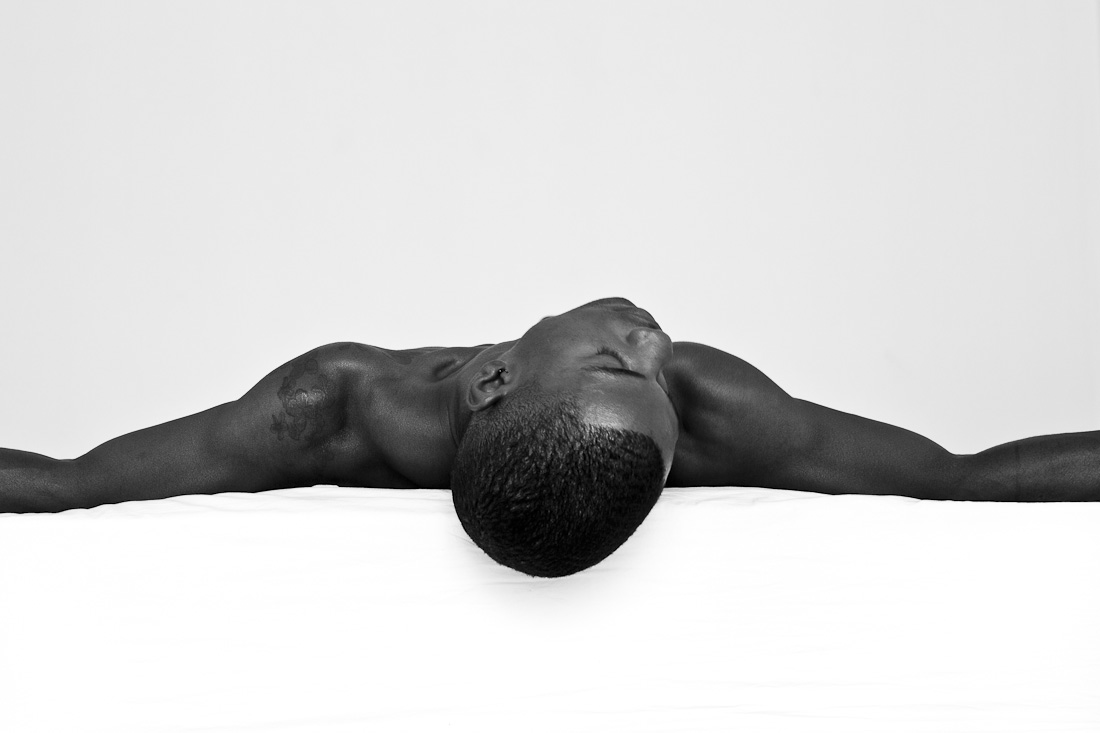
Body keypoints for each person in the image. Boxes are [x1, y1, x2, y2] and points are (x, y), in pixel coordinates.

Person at [1, 297, 1097, 576]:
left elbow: (63, 483)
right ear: (488, 380)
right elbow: (961, 480)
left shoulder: (329, 405)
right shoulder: (710, 404)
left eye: (640, 370)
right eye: (635, 366)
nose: (656, 341)